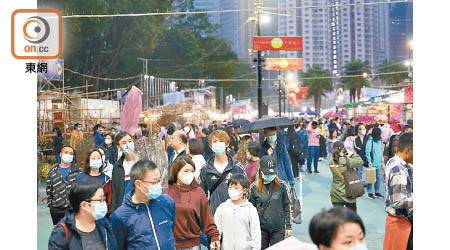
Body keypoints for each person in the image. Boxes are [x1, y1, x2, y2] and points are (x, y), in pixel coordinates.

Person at [111, 160, 176, 250]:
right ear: (138, 184)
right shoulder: (121, 216)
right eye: (153, 183)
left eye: (159, 181)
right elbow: (118, 246)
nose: (158, 186)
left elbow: (170, 230)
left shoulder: (167, 203)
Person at [167, 156, 220, 250]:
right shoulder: (167, 191)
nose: (190, 174)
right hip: (170, 244)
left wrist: (214, 236)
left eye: (192, 171)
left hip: (192, 245)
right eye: (186, 171)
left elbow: (207, 217)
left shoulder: (198, 192)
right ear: (176, 172)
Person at [48, 181, 118, 250]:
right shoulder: (62, 232)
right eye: (100, 200)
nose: (104, 204)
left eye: (104, 199)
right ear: (84, 205)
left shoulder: (105, 225)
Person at [199, 129, 247, 214]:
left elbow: (246, 190)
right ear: (210, 145)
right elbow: (202, 194)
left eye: (221, 141)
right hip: (214, 215)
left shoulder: (237, 166)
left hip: (235, 214)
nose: (218, 144)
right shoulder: (205, 168)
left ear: (227, 144)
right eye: (215, 141)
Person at [249, 155, 292, 249]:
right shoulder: (254, 188)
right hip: (261, 229)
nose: (270, 176)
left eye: (272, 173)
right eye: (267, 173)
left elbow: (287, 206)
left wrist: (288, 226)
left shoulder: (282, 186)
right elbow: (250, 210)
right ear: (261, 172)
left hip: (278, 229)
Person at [215, 174, 261, 250]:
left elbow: (256, 234)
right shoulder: (222, 208)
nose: (232, 190)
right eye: (230, 187)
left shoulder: (250, 209)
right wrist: (215, 245)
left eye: (236, 188)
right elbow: (216, 231)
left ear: (244, 190)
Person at [383, 132, 413, 250]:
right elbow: (398, 201)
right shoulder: (398, 170)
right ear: (408, 150)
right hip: (400, 223)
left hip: (396, 222)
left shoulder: (393, 161)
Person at [46, 145, 83, 225]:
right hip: (57, 209)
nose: (68, 155)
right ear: (60, 154)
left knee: (73, 234)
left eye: (71, 153)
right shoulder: (53, 171)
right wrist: (51, 206)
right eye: (66, 152)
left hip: (73, 210)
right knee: (58, 234)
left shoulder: (78, 171)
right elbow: (49, 189)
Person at [329, 141, 364, 212]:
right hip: (349, 192)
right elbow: (360, 161)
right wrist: (352, 154)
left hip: (336, 193)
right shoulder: (347, 161)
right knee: (352, 218)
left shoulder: (331, 162)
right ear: (343, 149)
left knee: (337, 218)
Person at [110, 132, 138, 214]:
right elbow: (115, 191)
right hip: (126, 209)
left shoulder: (142, 161)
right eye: (124, 143)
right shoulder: (118, 167)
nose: (128, 144)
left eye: (130, 141)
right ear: (119, 147)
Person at [365, 127, 385, 199]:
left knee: (378, 179)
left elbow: (380, 152)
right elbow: (367, 152)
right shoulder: (370, 141)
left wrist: (382, 161)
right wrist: (369, 161)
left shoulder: (379, 141)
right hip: (372, 163)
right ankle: (369, 192)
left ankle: (377, 192)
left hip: (378, 163)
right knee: (370, 178)